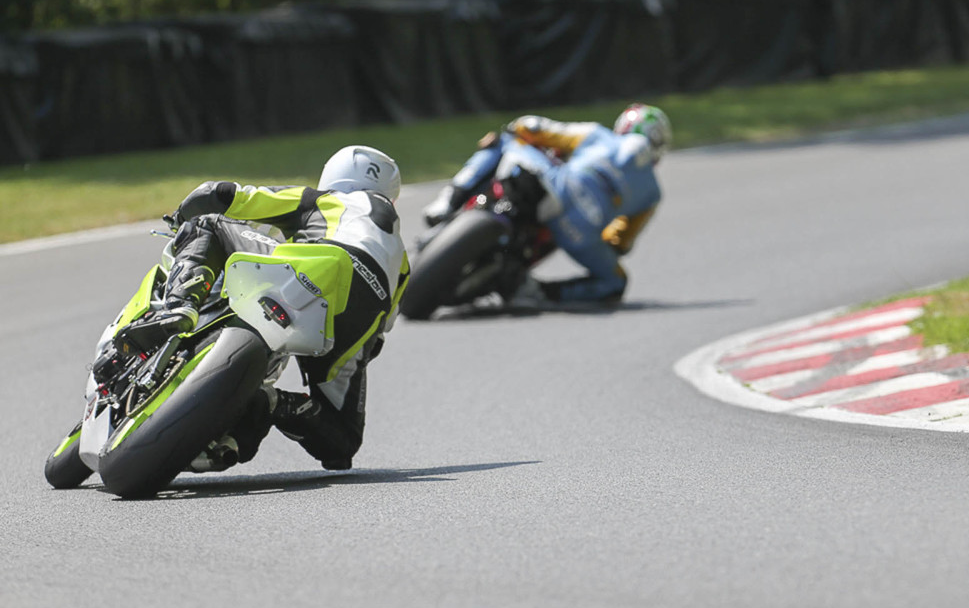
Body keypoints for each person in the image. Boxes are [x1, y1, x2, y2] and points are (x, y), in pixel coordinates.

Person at [114, 145, 409, 471]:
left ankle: (179, 307)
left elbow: (227, 195)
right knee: (341, 442)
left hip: (311, 269)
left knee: (207, 224)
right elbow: (380, 335)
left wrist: (185, 215)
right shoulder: (400, 254)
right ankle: (273, 403)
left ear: (334, 176)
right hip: (363, 313)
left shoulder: (324, 200)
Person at [422, 103, 671, 304]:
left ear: (623, 127)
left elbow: (534, 126)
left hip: (554, 187)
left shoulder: (597, 135)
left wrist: (519, 129)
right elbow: (619, 243)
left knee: (506, 141)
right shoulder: (652, 194)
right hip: (578, 234)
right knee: (615, 283)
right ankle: (540, 291)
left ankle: (448, 201)